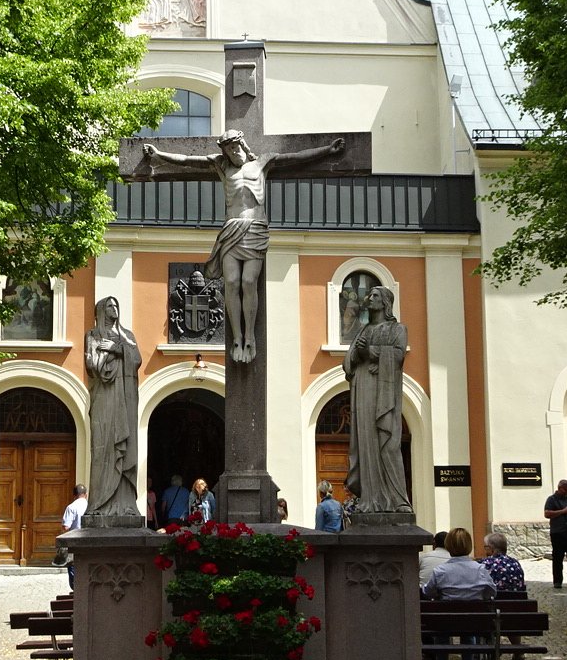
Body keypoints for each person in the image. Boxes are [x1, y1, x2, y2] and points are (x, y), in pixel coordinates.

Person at [140, 130, 345, 362]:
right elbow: (187, 161)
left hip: (255, 228)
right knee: (231, 282)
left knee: (248, 281)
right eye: (229, 150)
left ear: (243, 145)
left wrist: (327, 150)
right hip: (231, 229)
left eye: (235, 147)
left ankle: (250, 336)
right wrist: (159, 154)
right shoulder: (221, 166)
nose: (233, 152)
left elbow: (295, 157)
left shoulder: (263, 162)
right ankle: (237, 337)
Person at [344, 285, 413, 515]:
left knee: (388, 443)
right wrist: (358, 353)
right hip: (364, 387)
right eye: (369, 295)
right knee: (366, 442)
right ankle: (370, 499)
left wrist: (372, 353)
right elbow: (349, 362)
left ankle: (398, 500)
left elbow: (398, 356)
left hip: (384, 391)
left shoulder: (397, 329)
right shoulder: (362, 331)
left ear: (385, 302)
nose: (369, 298)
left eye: (375, 295)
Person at [85, 296, 142, 518]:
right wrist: (109, 354)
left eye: (116, 305)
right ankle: (99, 504)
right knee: (103, 446)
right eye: (110, 306)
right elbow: (92, 364)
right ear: (101, 310)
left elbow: (136, 359)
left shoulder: (127, 335)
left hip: (125, 398)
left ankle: (126, 505)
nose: (114, 308)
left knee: (126, 447)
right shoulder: (93, 335)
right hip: (105, 397)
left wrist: (116, 349)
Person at [422, 528, 495, 600]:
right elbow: (492, 592)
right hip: (476, 607)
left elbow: (428, 593)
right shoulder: (480, 569)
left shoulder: (440, 571)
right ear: (469, 545)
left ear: (448, 546)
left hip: (448, 607)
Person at [60, 483, 88, 589]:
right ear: (86, 494)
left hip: (75, 543)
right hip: (89, 542)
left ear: (74, 495)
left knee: (73, 567)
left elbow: (66, 527)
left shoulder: (71, 507)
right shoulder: (91, 507)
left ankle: (77, 591)